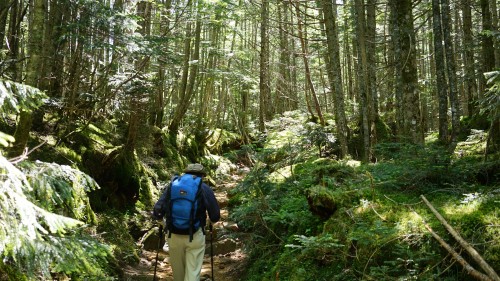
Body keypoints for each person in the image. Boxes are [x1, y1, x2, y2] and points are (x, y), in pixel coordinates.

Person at [153, 163, 220, 281]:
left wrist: (163, 223)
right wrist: (210, 222)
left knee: (178, 273)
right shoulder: (203, 187)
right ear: (202, 176)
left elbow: (158, 210)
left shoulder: (173, 185)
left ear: (185, 172)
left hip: (173, 234)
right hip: (195, 235)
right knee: (192, 273)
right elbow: (215, 216)